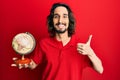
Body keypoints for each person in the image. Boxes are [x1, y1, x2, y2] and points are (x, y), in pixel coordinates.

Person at [11, 2, 103, 80]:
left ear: (69, 20)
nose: (60, 20)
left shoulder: (81, 47)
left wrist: (90, 52)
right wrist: (25, 64)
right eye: (56, 16)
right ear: (52, 20)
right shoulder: (44, 43)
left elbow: (100, 69)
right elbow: (33, 64)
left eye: (64, 16)